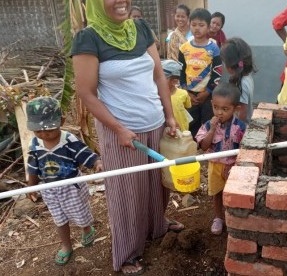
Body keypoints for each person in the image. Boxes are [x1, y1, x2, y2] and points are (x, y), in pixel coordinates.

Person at [71, 0, 183, 274]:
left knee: (158, 184)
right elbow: (86, 93)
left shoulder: (141, 28)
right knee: (127, 193)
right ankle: (127, 253)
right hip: (122, 132)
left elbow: (159, 76)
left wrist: (169, 116)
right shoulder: (88, 39)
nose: (121, 2)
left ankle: (157, 226)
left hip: (155, 123)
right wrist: (118, 129)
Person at [25, 96, 102, 265]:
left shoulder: (68, 140)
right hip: (50, 188)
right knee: (59, 219)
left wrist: (96, 162)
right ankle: (66, 246)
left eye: (49, 130)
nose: (44, 134)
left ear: (62, 121)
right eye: (38, 131)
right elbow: (32, 167)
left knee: (80, 213)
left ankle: (86, 228)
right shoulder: (35, 144)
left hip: (71, 186)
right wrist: (31, 187)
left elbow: (85, 153)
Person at [195, 83, 246, 235]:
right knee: (217, 193)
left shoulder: (241, 127)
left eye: (225, 109)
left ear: (235, 108)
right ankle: (218, 218)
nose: (219, 113)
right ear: (211, 104)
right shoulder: (207, 125)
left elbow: (246, 148)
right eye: (216, 107)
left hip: (233, 167)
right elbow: (204, 146)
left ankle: (233, 218)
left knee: (233, 193)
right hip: (215, 166)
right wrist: (212, 129)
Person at [178, 8, 222, 137]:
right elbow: (180, 71)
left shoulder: (213, 48)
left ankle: (207, 150)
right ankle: (193, 150)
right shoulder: (184, 48)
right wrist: (186, 91)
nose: (197, 28)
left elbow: (217, 72)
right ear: (189, 24)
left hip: (207, 95)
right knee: (191, 124)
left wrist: (208, 91)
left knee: (208, 123)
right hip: (189, 95)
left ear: (208, 27)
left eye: (201, 25)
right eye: (194, 25)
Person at [221, 37, 256, 123]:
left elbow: (242, 111)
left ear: (230, 65)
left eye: (224, 62)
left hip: (240, 128)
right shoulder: (246, 77)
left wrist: (235, 128)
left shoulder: (241, 83)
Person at [161, 59, 192, 131]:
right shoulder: (158, 95)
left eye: (163, 78)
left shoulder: (183, 93)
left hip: (182, 129)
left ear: (174, 81)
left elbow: (187, 108)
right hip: (166, 131)